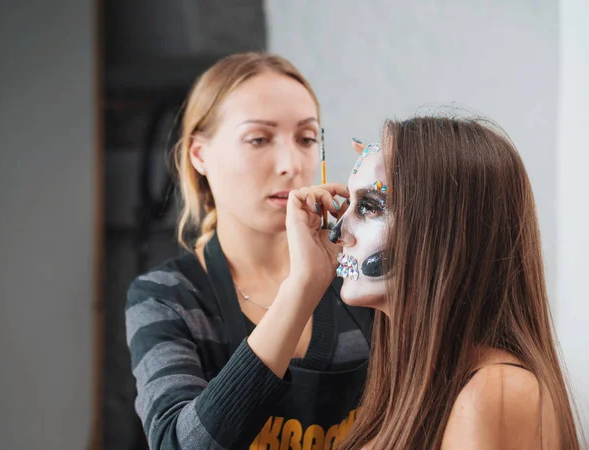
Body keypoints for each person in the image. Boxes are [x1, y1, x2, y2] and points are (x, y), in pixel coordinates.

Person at [125, 52, 371, 450]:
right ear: (199, 155)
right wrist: (302, 288)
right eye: (259, 138)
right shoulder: (166, 298)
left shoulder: (362, 281)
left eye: (306, 139)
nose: (291, 164)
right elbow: (177, 445)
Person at [315, 117, 578, 449]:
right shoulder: (407, 385)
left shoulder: (496, 390)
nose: (337, 232)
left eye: (368, 207)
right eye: (347, 204)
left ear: (443, 231)